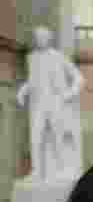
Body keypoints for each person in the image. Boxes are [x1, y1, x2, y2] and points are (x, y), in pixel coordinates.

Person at [15, 26, 84, 182]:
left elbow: (79, 78)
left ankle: (60, 169)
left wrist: (68, 94)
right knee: (35, 137)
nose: (40, 40)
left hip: (55, 102)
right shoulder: (31, 58)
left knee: (56, 137)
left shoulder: (59, 57)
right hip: (37, 104)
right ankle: (37, 171)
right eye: (37, 37)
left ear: (49, 39)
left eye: (43, 37)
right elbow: (33, 80)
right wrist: (22, 92)